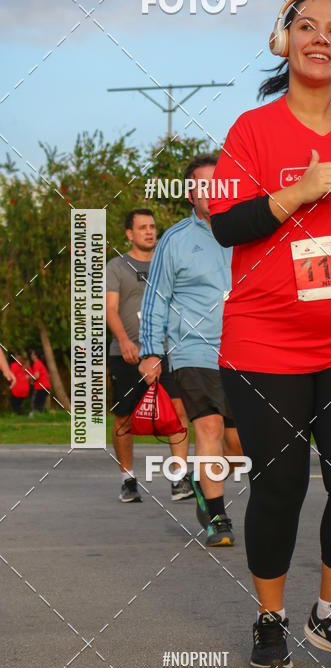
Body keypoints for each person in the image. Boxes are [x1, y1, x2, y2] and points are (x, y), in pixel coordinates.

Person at [209, 0, 331, 668]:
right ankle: (270, 616)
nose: (320, 37)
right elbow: (226, 223)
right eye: (307, 26)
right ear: (282, 40)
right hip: (265, 342)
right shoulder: (251, 130)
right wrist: (295, 193)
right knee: (280, 486)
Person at [139, 156, 243, 546]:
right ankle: (217, 517)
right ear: (190, 194)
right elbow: (156, 298)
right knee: (210, 429)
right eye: (205, 186)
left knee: (239, 446)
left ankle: (203, 481)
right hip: (194, 351)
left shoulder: (248, 234)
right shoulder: (176, 240)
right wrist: (151, 351)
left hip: (243, 353)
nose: (214, 192)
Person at [107, 209, 190, 504]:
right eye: (142, 228)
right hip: (127, 353)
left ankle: (179, 479)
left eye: (152, 227)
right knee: (124, 418)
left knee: (178, 414)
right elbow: (110, 310)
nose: (149, 232)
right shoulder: (116, 266)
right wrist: (125, 341)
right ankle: (128, 480)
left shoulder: (169, 264)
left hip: (168, 352)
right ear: (129, 234)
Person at [29, 348, 51, 414]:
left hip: (40, 387)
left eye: (32, 354)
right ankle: (41, 416)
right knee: (41, 404)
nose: (31, 355)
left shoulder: (36, 364)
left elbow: (36, 376)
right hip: (46, 387)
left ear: (35, 356)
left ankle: (35, 416)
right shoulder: (41, 363)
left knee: (35, 403)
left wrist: (29, 377)